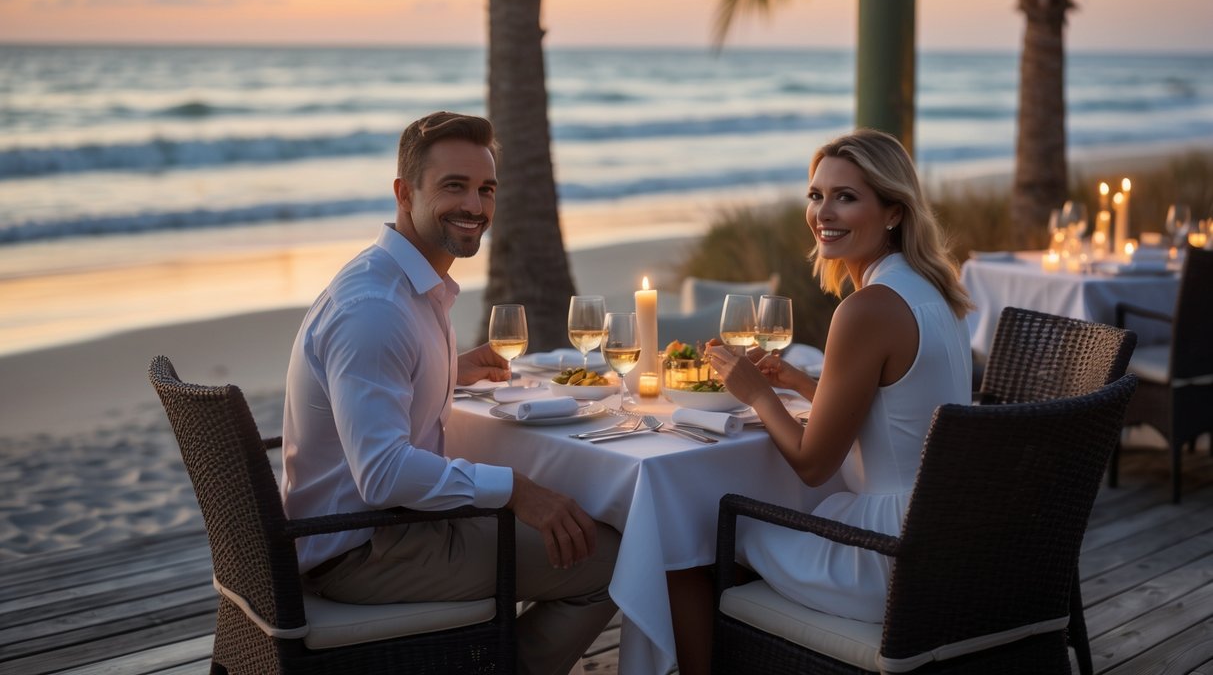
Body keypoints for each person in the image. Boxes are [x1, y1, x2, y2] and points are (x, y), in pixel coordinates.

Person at [281, 111, 619, 675]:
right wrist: (515, 490)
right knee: (611, 555)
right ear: (403, 192)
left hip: (383, 526)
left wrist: (450, 369)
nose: (475, 206)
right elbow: (384, 474)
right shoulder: (376, 309)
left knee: (573, 521)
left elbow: (381, 384)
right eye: (453, 186)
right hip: (361, 549)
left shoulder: (401, 285)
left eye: (486, 189)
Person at [668, 128, 973, 675]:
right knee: (745, 534)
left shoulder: (867, 309)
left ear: (894, 213)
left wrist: (757, 392)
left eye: (846, 197)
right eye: (816, 195)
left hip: (892, 558)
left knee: (685, 542)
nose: (823, 213)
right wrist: (803, 384)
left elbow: (813, 465)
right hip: (953, 536)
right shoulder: (935, 292)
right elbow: (899, 415)